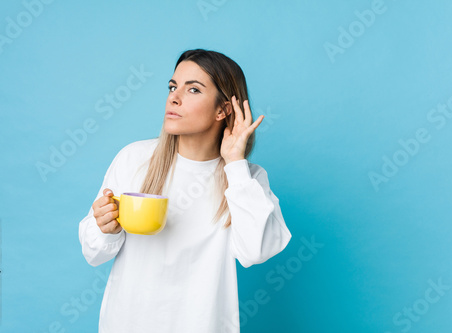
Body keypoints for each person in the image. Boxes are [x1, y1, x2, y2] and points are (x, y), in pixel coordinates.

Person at [78, 49, 292, 333]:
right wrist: (105, 227)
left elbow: (256, 251)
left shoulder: (246, 178)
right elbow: (94, 253)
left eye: (193, 89)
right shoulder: (134, 159)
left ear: (223, 109)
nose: (174, 97)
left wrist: (235, 164)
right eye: (172, 86)